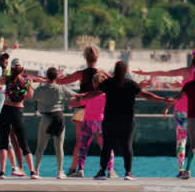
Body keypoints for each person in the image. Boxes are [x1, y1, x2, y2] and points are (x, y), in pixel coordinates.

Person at [78, 60, 173, 180]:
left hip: (110, 120)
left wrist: (81, 99)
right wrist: (163, 99)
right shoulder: (131, 84)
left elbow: (94, 93)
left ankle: (102, 172)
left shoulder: (108, 83)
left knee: (107, 145)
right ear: (126, 71)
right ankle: (128, 172)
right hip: (126, 120)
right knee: (127, 145)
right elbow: (147, 95)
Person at [58, 46, 111, 178]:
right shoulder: (102, 73)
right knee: (103, 141)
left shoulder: (80, 73)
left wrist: (55, 77)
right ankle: (109, 168)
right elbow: (115, 83)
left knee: (80, 141)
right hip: (100, 110)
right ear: (97, 57)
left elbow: (62, 81)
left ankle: (76, 168)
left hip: (83, 108)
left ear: (85, 57)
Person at [29, 67, 78, 179]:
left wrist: (38, 81)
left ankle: (36, 171)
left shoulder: (41, 88)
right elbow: (75, 95)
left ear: (47, 76)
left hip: (45, 117)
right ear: (56, 77)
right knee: (59, 147)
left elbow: (31, 95)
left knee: (41, 146)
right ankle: (60, 172)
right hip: (58, 117)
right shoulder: (60, 88)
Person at [0, 59, 38, 179]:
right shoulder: (25, 80)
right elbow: (30, 96)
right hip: (18, 111)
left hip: (6, 110)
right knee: (23, 143)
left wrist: (7, 87)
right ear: (22, 68)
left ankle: (2, 172)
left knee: (3, 143)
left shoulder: (8, 77)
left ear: (12, 68)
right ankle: (33, 172)